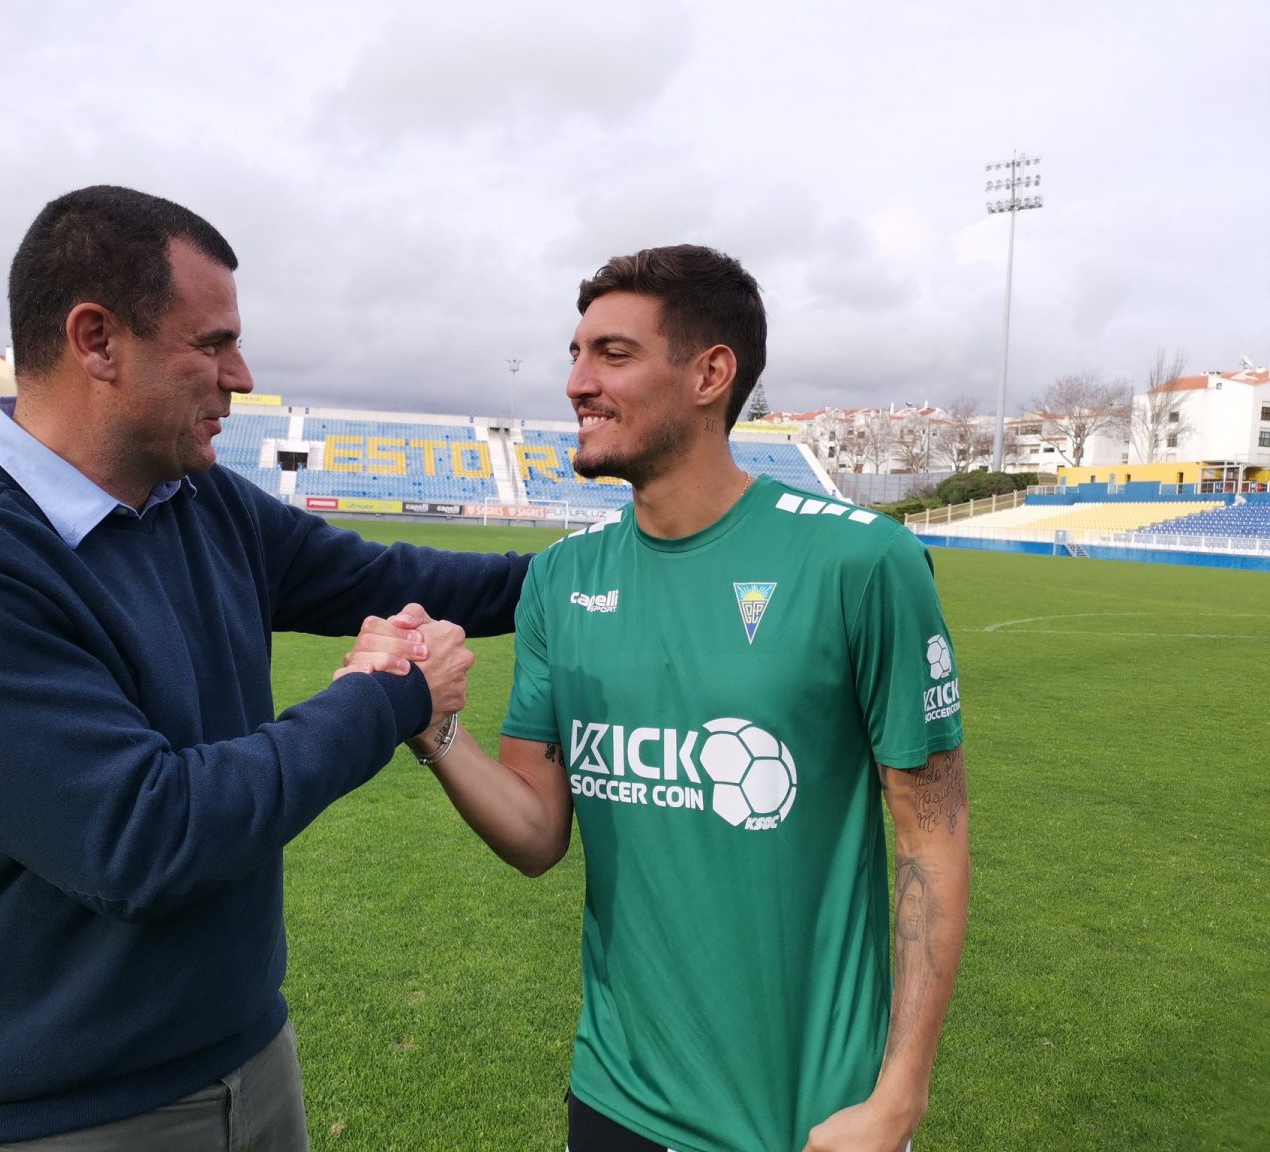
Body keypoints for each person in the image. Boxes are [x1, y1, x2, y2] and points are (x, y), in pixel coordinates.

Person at [0, 184, 529, 1152]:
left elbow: (390, 575)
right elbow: (142, 833)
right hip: (45, 1119)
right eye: (211, 344)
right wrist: (391, 697)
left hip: (249, 1060)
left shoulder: (201, 504)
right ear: (96, 341)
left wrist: (603, 574)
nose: (241, 376)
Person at [349, 245, 970, 1152]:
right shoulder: (562, 580)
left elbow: (933, 836)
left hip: (813, 1118)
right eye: (574, 353)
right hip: (615, 1101)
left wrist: (899, 1098)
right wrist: (433, 726)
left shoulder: (862, 562)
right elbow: (535, 833)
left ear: (711, 373)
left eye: (613, 353)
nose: (575, 382)